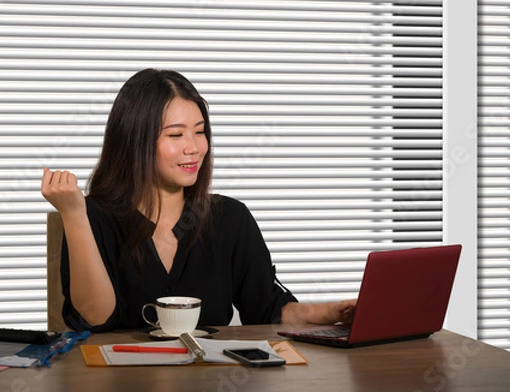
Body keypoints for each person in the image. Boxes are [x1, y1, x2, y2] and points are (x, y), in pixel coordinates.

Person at [41, 68, 356, 332]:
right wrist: (73, 214)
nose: (194, 148)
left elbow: (267, 309)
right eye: (176, 135)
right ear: (135, 141)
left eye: (200, 132)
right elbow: (97, 318)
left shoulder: (229, 218)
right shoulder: (94, 216)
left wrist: (333, 312)